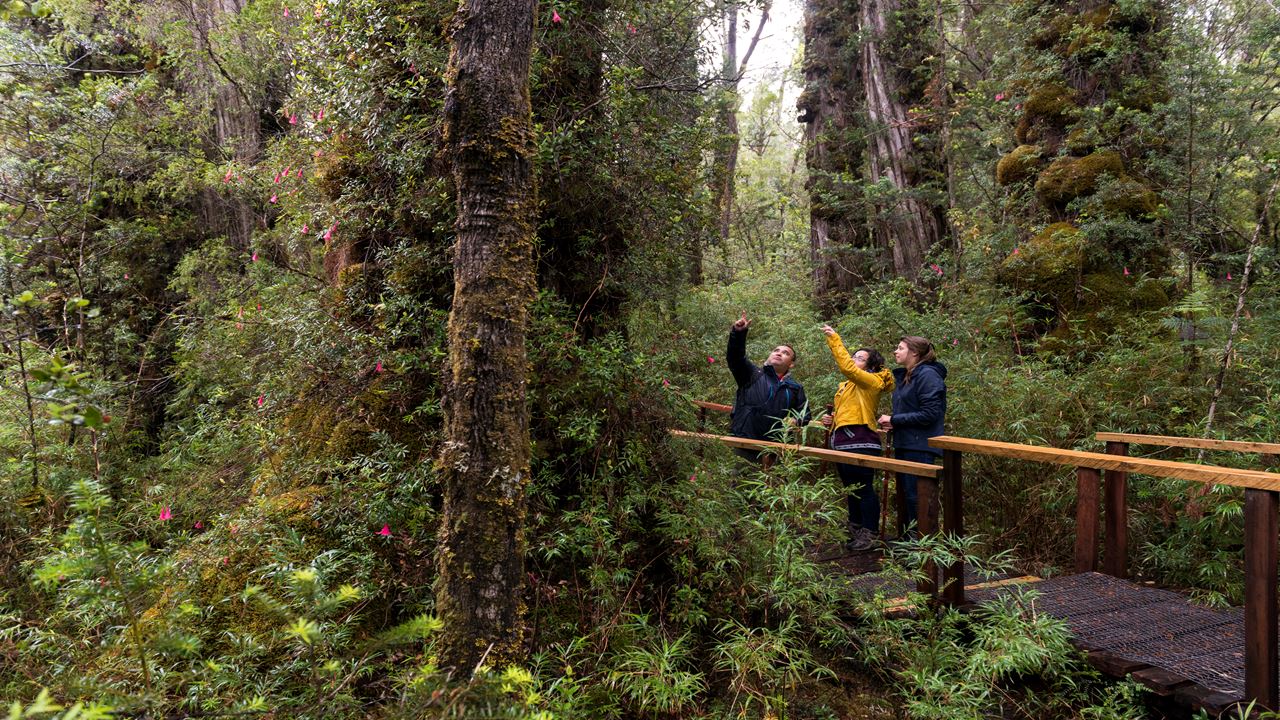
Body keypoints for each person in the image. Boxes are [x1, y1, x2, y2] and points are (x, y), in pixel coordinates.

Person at [819, 325, 893, 551]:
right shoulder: (848, 387)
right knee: (850, 488)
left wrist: (834, 339)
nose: (854, 359)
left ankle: (869, 533)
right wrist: (832, 421)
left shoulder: (870, 381)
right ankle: (855, 528)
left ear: (871, 366)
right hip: (842, 439)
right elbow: (850, 410)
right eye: (854, 356)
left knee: (863, 488)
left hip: (861, 439)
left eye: (859, 358)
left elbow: (848, 368)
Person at [878, 336, 947, 537]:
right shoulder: (908, 376)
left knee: (917, 498)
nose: (895, 351)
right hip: (907, 443)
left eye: (900, 348)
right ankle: (910, 545)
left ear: (914, 353)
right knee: (908, 497)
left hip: (920, 446)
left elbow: (930, 413)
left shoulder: (928, 375)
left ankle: (921, 551)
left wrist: (896, 419)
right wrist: (893, 423)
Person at [726, 311, 808, 464]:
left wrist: (796, 420)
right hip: (746, 442)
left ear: (791, 364)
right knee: (739, 484)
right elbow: (735, 357)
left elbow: (805, 414)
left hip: (778, 449)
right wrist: (738, 333)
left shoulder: (795, 388)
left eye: (785, 353)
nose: (779, 353)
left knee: (775, 486)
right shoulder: (752, 374)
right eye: (776, 350)